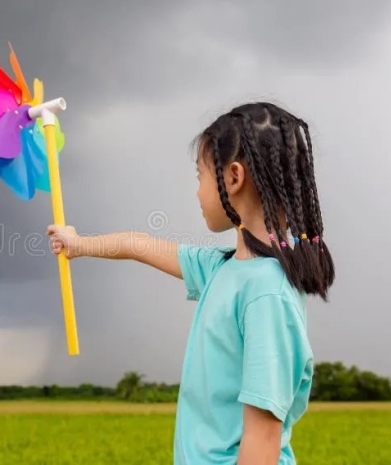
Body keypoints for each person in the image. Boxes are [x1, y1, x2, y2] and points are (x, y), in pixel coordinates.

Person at [46, 102, 335, 464]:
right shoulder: (222, 268)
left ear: (233, 177)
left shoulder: (266, 293)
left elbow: (263, 437)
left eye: (200, 175)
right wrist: (79, 244)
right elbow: (139, 245)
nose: (197, 191)